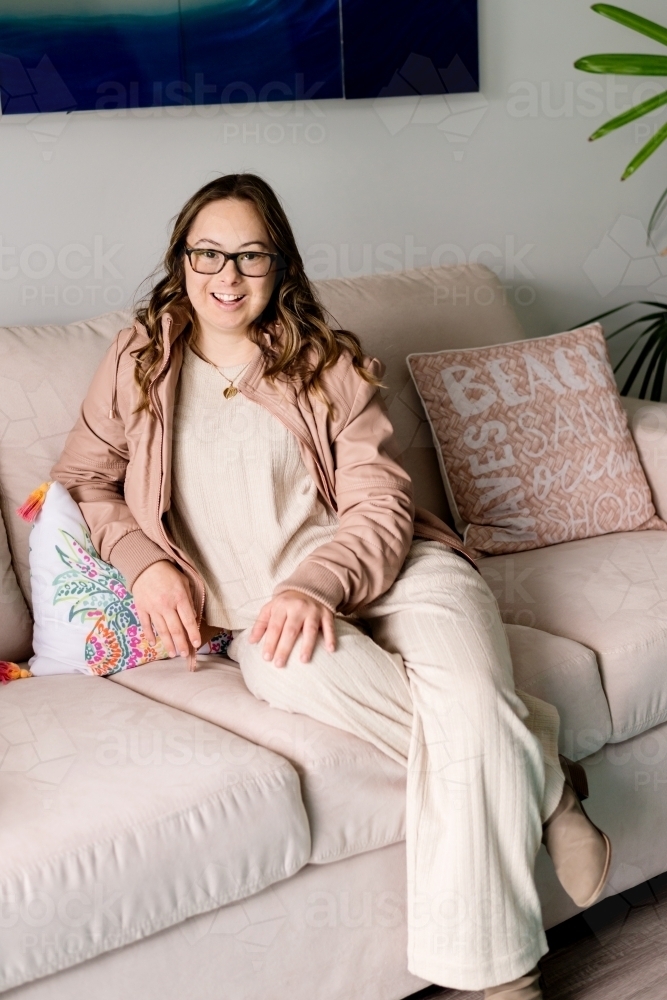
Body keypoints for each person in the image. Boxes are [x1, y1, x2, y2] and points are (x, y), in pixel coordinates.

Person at [52, 173, 611, 999]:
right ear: (180, 260)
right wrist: (148, 564)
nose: (226, 275)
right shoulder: (138, 360)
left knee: (463, 702)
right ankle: (546, 772)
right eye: (207, 252)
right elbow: (85, 482)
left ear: (280, 268)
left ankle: (502, 985)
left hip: (400, 573)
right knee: (443, 712)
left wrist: (314, 584)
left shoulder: (327, 363)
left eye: (249, 255)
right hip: (266, 622)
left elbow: (381, 504)